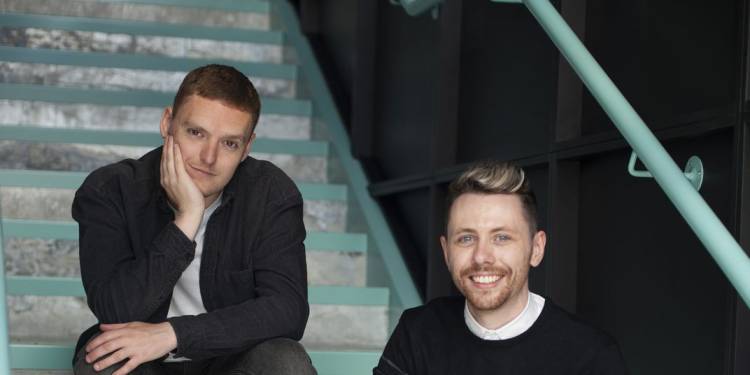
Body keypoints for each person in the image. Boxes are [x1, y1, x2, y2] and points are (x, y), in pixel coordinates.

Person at [71, 64, 316, 375]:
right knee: (106, 361)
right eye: (196, 133)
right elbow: (115, 310)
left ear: (247, 148)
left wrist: (174, 334)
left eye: (229, 143)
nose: (209, 158)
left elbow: (287, 310)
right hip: (142, 359)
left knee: (285, 363)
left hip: (230, 358)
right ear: (167, 123)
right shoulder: (111, 190)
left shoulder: (270, 194)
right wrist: (187, 219)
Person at [373, 160, 627, 375]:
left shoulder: (591, 356)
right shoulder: (418, 332)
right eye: (466, 238)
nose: (482, 257)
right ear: (447, 252)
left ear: (536, 249)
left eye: (502, 237)